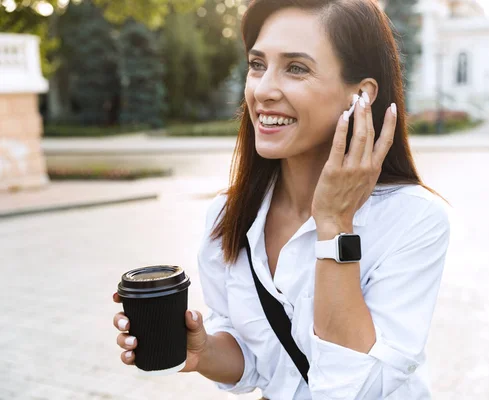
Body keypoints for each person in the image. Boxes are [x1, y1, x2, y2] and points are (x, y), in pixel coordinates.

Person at [113, 0, 452, 398]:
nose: (263, 90)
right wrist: (203, 350)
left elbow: (358, 388)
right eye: (257, 65)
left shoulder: (414, 219)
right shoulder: (228, 214)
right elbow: (261, 362)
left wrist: (335, 225)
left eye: (296, 68)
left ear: (359, 95)